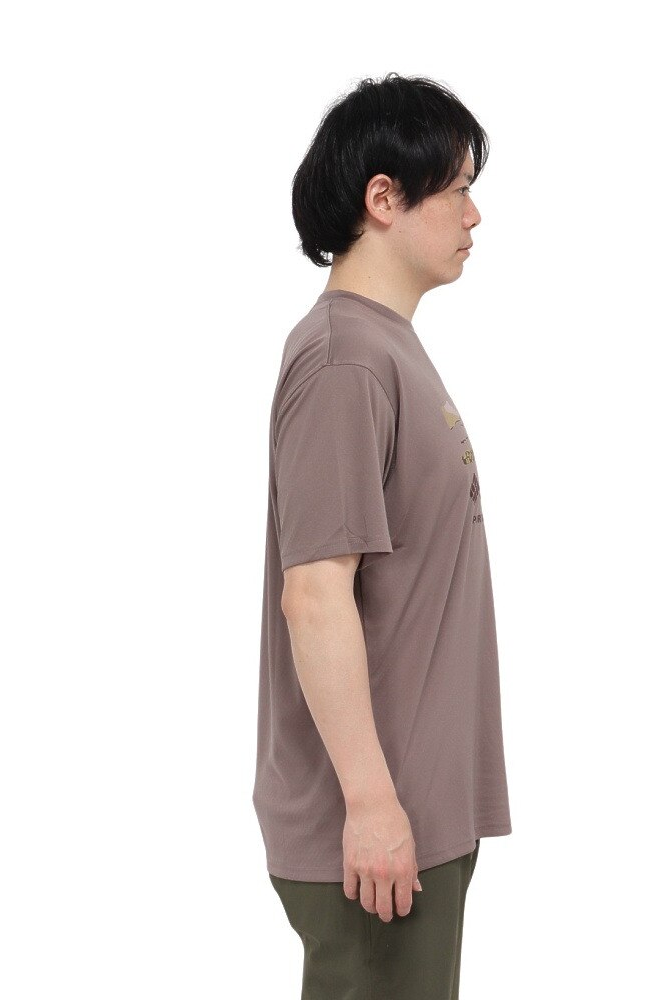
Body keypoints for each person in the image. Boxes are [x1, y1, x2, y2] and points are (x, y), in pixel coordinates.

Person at [252, 72, 512, 1000]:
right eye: (458, 189)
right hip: (373, 832)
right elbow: (316, 592)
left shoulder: (384, 345)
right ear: (384, 198)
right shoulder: (346, 360)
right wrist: (369, 805)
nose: (475, 215)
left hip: (414, 813)